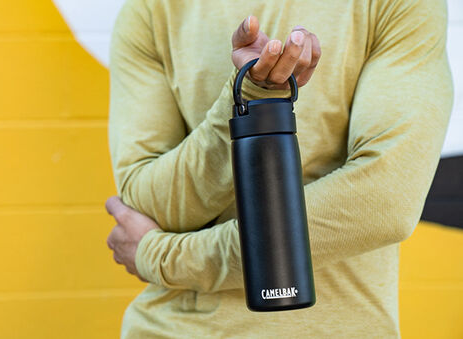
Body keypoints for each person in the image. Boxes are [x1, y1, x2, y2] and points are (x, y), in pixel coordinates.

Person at [105, 0, 453, 337]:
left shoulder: (397, 4)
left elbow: (384, 201)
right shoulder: (151, 10)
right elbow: (147, 206)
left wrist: (166, 258)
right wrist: (247, 100)